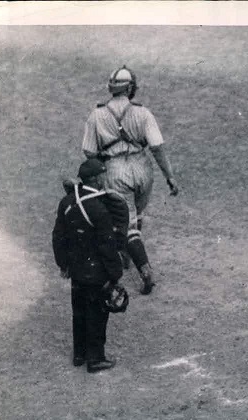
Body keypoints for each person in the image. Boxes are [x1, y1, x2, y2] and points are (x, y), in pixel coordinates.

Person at [81, 65, 180, 294]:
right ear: (131, 88)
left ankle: (144, 270)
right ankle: (127, 252)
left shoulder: (97, 114)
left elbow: (88, 151)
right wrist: (170, 177)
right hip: (143, 168)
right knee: (138, 212)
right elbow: (157, 147)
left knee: (127, 223)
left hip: (115, 170)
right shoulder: (143, 112)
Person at [52, 158, 125, 373]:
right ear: (95, 178)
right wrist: (115, 273)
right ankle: (95, 359)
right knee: (97, 313)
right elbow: (108, 245)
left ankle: (79, 354)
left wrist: (63, 264)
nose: (105, 178)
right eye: (103, 175)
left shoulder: (67, 202)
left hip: (76, 269)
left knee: (79, 311)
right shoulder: (99, 208)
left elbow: (58, 237)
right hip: (97, 272)